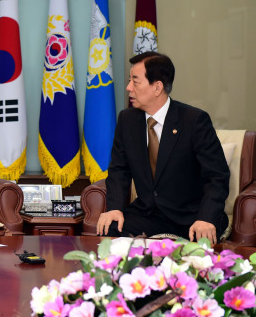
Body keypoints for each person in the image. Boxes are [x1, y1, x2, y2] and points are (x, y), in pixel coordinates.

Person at [97, 52, 229, 244]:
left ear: (157, 87)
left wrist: (206, 218)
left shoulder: (194, 120)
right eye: (129, 81)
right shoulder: (127, 120)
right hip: (148, 214)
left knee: (203, 240)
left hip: (191, 216)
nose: (128, 88)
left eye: (135, 81)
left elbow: (217, 176)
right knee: (109, 228)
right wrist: (114, 208)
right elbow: (119, 170)